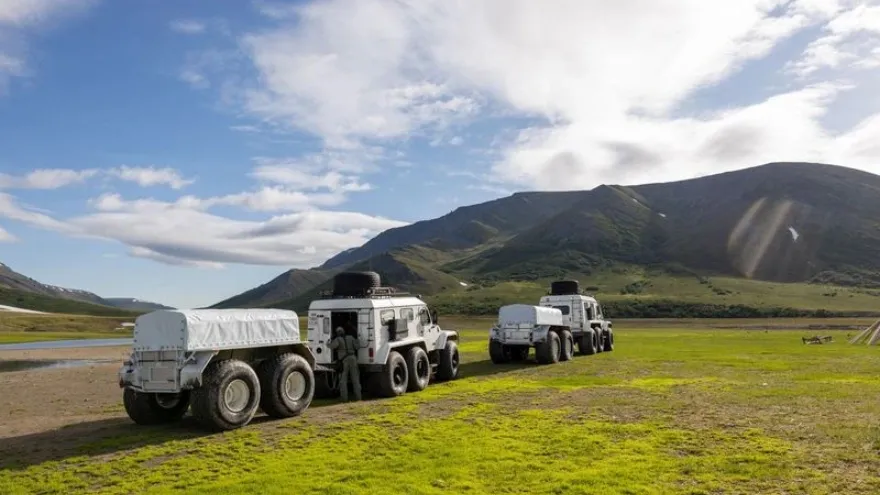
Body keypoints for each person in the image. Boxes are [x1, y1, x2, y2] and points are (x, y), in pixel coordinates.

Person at [328, 326, 362, 401]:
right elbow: (357, 347)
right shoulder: (351, 337)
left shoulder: (338, 339)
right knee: (355, 379)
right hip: (353, 358)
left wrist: (328, 343)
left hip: (344, 360)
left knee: (343, 380)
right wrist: (357, 340)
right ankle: (358, 398)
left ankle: (344, 398)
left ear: (337, 333)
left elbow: (332, 346)